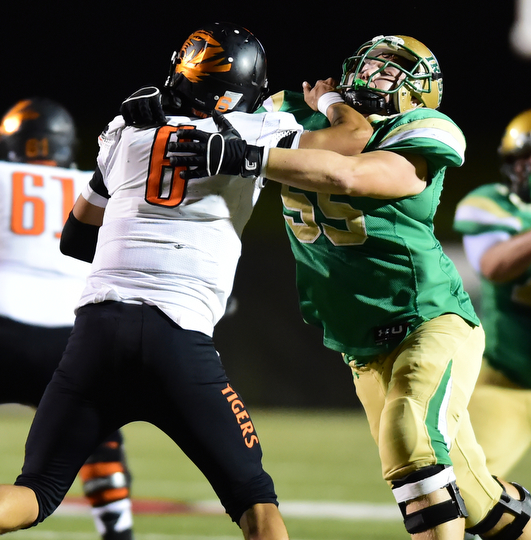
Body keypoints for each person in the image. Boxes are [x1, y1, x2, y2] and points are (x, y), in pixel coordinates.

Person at [0, 22, 367, 539]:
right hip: (177, 339)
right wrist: (330, 99)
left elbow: (76, 238)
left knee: (35, 493)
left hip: (97, 332)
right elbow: (354, 138)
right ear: (240, 91)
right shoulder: (252, 132)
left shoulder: (124, 129)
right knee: (257, 506)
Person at [163, 34, 531, 539]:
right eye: (374, 63)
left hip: (429, 319)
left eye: (392, 70)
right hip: (358, 341)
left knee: (411, 442)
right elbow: (216, 130)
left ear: (420, 92)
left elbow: (352, 175)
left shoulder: (426, 129)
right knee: (476, 497)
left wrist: (256, 153)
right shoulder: (291, 110)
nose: (376, 74)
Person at [0, 97, 134, 540]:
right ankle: (117, 532)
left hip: (4, 325)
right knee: (99, 437)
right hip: (72, 335)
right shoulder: (93, 183)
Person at [453, 108, 531, 479]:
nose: (525, 169)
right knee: (466, 488)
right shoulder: (492, 204)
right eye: (522, 159)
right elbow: (493, 265)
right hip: (509, 383)